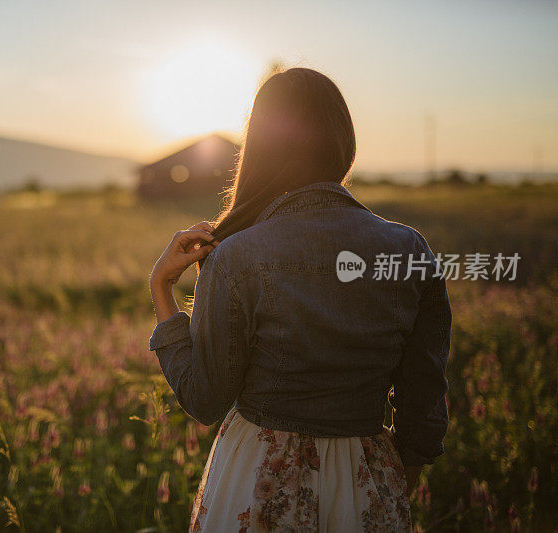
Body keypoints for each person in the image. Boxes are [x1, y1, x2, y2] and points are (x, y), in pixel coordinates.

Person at [148, 67, 451, 532]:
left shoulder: (236, 255)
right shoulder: (410, 249)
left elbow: (205, 400)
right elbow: (424, 388)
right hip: (368, 475)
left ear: (261, 150)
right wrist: (397, 475)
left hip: (260, 476)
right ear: (342, 140)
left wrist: (161, 290)